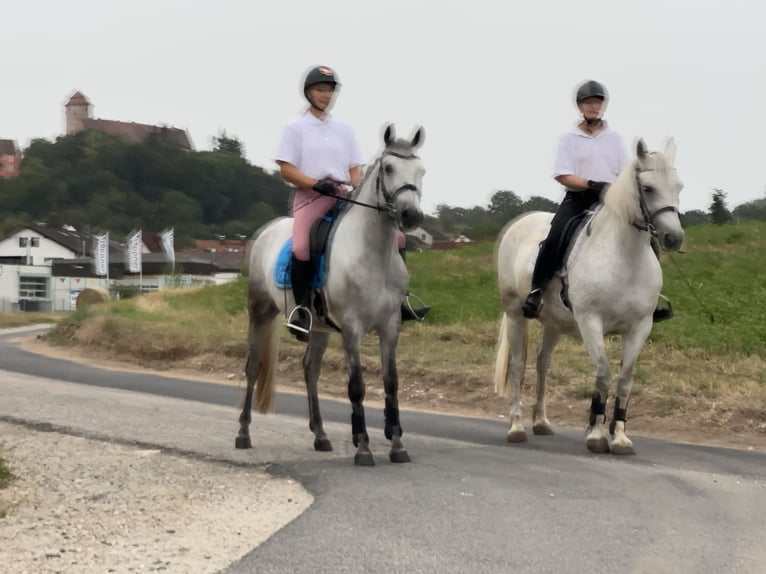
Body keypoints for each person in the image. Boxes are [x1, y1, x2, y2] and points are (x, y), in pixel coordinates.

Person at [275, 66, 429, 341]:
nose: (326, 95)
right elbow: (286, 169)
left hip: (343, 194)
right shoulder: (295, 128)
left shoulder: (344, 129)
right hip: (310, 197)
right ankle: (301, 311)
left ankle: (398, 301)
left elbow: (355, 168)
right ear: (309, 92)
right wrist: (313, 183)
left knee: (399, 239)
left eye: (330, 90)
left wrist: (356, 188)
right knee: (301, 247)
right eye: (321, 90)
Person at [521, 79, 674, 323]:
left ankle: (650, 301)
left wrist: (616, 189)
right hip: (578, 198)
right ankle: (537, 291)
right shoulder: (568, 139)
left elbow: (625, 172)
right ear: (580, 107)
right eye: (589, 103)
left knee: (646, 237)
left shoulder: (614, 139)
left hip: (610, 199)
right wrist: (591, 184)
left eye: (598, 102)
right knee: (556, 235)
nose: (594, 107)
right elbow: (562, 174)